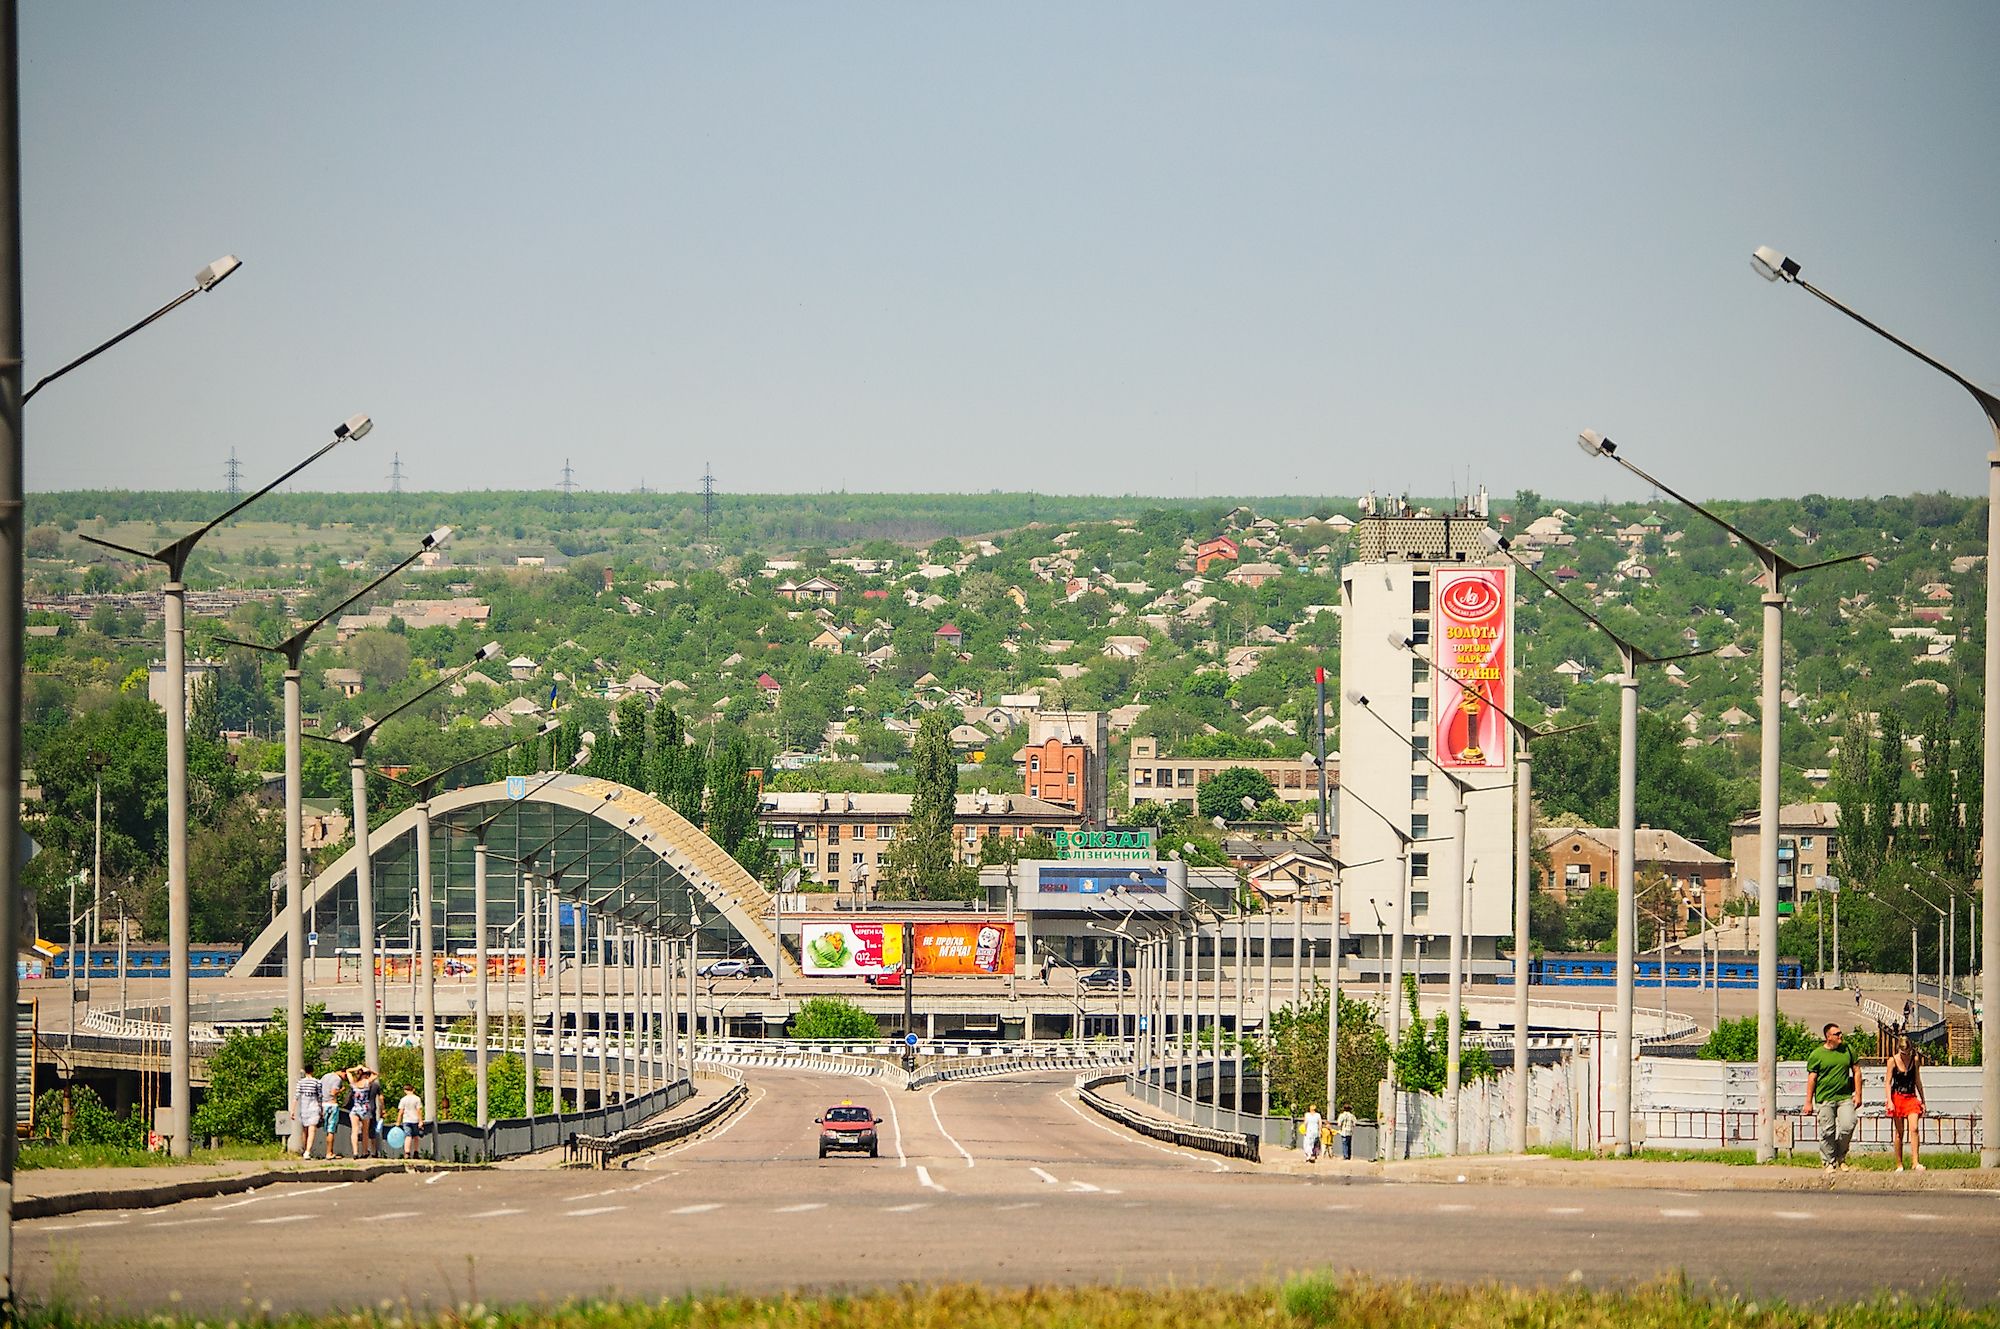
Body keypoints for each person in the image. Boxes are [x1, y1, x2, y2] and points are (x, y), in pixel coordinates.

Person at [1804, 1022, 1863, 1174]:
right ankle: (1829, 1162)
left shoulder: (1848, 1050)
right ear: (1828, 1037)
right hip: (1825, 1098)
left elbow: (1856, 1071)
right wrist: (1808, 1102)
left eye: (1840, 1033)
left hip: (1844, 1097)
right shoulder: (1817, 1055)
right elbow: (1812, 1078)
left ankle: (1840, 1156)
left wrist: (1858, 1094)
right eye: (1837, 1034)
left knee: (1848, 1125)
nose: (1840, 1036)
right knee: (1827, 1131)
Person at [1886, 1034, 1926, 1173]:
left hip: (1911, 1097)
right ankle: (1899, 1163)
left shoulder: (1914, 1060)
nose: (1905, 1055)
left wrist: (1923, 1100)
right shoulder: (1892, 1061)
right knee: (1899, 1132)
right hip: (1897, 1097)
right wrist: (1889, 1101)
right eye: (1903, 1052)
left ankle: (1915, 1161)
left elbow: (1917, 1080)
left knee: (1914, 1128)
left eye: (1907, 1052)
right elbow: (1887, 1082)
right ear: (1899, 1049)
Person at [290, 1066, 324, 1159]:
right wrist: (321, 1110)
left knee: (305, 1130)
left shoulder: (300, 1082)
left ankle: (305, 1149)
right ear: (313, 1071)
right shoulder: (317, 1082)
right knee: (312, 1130)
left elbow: (296, 1096)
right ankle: (308, 1151)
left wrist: (292, 1110)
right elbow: (320, 1097)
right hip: (314, 1107)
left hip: (304, 1108)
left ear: (305, 1071)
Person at [317, 1063, 346, 1160]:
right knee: (331, 1130)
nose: (345, 1077)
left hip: (323, 1104)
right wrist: (341, 1090)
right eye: (345, 1075)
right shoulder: (337, 1079)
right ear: (342, 1072)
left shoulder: (325, 1076)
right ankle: (329, 1153)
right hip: (332, 1105)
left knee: (322, 1128)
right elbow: (333, 1093)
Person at [347, 1066, 377, 1159]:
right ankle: (364, 1151)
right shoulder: (367, 1083)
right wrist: (368, 1069)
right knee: (365, 1132)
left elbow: (348, 1071)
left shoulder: (354, 1083)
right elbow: (376, 1074)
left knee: (354, 1131)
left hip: (355, 1108)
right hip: (365, 1108)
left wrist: (356, 1068)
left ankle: (355, 1152)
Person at [398, 1082, 424, 1159]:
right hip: (415, 1120)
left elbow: (401, 1111)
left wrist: (398, 1122)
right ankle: (416, 1152)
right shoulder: (417, 1099)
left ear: (405, 1091)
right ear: (413, 1090)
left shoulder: (403, 1099)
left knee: (408, 1136)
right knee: (416, 1136)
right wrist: (420, 1121)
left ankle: (407, 1152)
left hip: (406, 1120)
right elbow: (419, 1111)